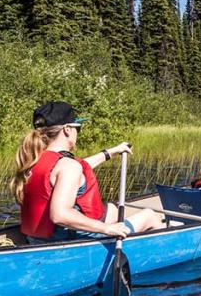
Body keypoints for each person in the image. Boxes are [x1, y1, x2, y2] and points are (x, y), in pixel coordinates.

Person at [13, 101, 160, 243]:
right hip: (67, 241)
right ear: (67, 130)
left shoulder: (34, 160)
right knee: (150, 215)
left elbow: (80, 168)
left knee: (113, 210)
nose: (78, 133)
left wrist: (112, 151)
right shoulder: (68, 166)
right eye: (78, 128)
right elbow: (60, 215)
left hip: (36, 238)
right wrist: (107, 228)